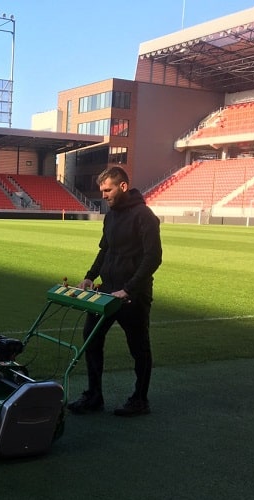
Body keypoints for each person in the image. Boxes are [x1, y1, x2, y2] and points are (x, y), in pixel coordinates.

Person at [68, 166, 162, 417]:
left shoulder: (144, 216)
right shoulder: (110, 216)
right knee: (91, 338)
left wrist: (128, 289)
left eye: (108, 190)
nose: (104, 195)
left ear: (123, 186)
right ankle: (94, 396)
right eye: (102, 191)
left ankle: (140, 400)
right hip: (107, 291)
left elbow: (153, 257)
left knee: (138, 347)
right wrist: (89, 277)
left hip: (133, 295)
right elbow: (105, 250)